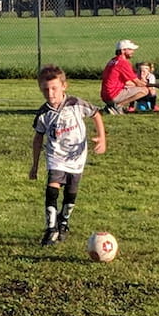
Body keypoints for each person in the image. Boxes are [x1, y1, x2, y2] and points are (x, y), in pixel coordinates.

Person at [30, 65, 106, 246]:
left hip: (77, 156)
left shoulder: (76, 104)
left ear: (64, 86)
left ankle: (63, 221)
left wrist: (102, 138)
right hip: (56, 156)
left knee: (71, 193)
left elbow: (96, 114)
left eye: (54, 88)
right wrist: (34, 165)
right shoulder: (43, 113)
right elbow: (38, 139)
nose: (50, 93)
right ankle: (51, 228)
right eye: (45, 90)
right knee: (52, 188)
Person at [100, 39, 152, 114]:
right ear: (123, 50)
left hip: (105, 95)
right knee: (144, 90)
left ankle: (111, 106)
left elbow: (127, 82)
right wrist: (154, 85)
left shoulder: (113, 61)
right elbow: (138, 83)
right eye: (130, 49)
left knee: (135, 87)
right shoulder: (123, 63)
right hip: (113, 94)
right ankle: (118, 106)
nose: (133, 52)